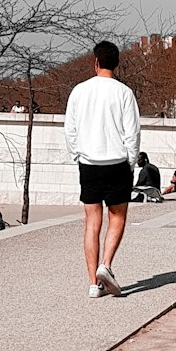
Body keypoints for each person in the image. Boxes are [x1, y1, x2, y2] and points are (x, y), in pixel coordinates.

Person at [64, 39, 141, 300]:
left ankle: (92, 283)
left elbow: (70, 130)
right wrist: (130, 163)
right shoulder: (124, 93)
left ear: (95, 62)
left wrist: (77, 155)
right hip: (116, 162)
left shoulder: (79, 91)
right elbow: (132, 134)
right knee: (117, 218)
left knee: (91, 222)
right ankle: (105, 265)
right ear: (116, 64)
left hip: (88, 162)